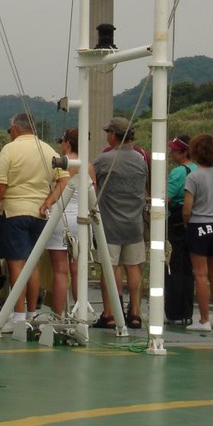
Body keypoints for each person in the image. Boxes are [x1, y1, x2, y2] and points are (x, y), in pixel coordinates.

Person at [0, 112, 68, 330]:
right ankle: (32, 312)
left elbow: (1, 186)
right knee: (32, 264)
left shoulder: (10, 149)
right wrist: (48, 201)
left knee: (16, 264)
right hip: (39, 214)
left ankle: (17, 316)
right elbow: (64, 178)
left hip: (14, 212)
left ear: (15, 129)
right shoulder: (47, 149)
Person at [92, 117, 148, 329]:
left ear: (113, 135)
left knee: (110, 267)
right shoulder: (141, 159)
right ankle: (134, 313)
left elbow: (90, 181)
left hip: (109, 224)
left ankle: (111, 313)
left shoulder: (105, 160)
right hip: (134, 224)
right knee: (133, 268)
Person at [39, 128, 96, 316]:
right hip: (82, 219)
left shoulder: (60, 164)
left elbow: (57, 188)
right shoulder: (88, 166)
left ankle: (59, 314)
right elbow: (92, 196)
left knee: (60, 271)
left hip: (60, 218)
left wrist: (47, 202)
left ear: (68, 143)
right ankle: (80, 313)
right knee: (78, 270)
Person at [182, 133, 213, 331]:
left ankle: (204, 320)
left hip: (199, 225)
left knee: (200, 274)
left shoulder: (193, 176)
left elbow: (187, 208)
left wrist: (185, 222)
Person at [164, 135, 197, 325]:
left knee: (174, 266)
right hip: (194, 222)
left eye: (175, 150)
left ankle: (174, 310)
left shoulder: (178, 173)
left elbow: (166, 197)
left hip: (176, 221)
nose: (171, 153)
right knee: (188, 268)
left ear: (184, 152)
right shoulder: (197, 169)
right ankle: (187, 310)